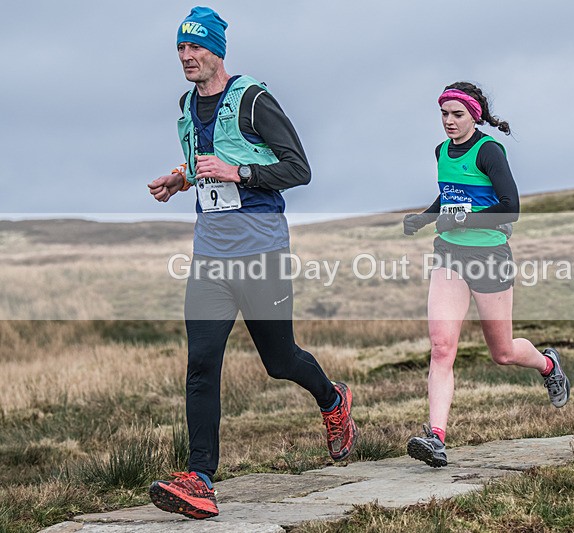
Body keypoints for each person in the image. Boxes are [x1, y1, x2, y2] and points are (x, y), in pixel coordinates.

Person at [146, 7, 358, 519]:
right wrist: (182, 177)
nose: (186, 56)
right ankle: (200, 478)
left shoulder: (253, 100)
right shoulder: (185, 106)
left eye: (196, 47)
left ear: (217, 51)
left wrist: (238, 172)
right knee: (202, 363)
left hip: (262, 253)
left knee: (280, 361)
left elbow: (298, 169)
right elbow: (205, 160)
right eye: (180, 48)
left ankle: (333, 401)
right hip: (210, 258)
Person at [402, 82, 570, 468]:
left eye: (457, 115)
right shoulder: (441, 151)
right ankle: (436, 438)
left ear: (474, 116)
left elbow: (510, 208)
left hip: (490, 256)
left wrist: (463, 219)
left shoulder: (489, 151)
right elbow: (449, 196)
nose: (449, 121)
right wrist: (424, 219)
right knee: (442, 347)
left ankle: (548, 365)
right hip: (449, 255)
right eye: (444, 114)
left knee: (503, 352)